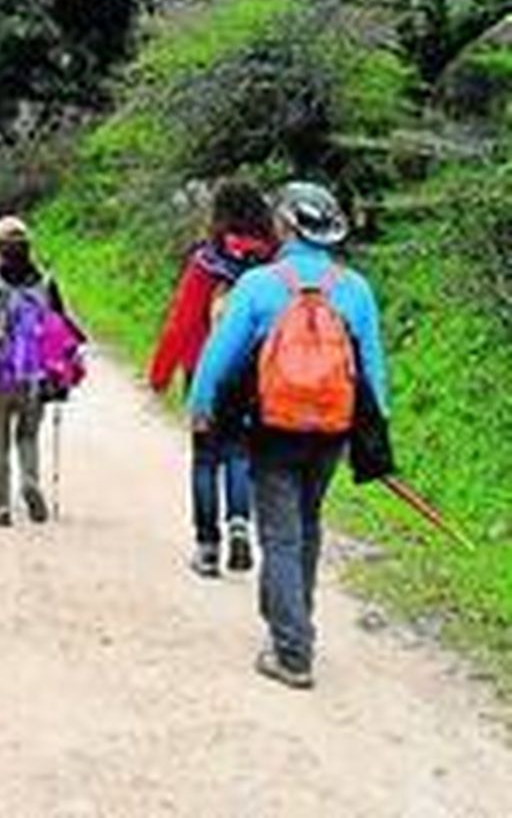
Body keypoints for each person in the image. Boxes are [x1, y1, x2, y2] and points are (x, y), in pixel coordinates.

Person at [188, 182, 389, 690]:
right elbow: (372, 370)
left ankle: (292, 651)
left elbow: (221, 353)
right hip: (332, 429)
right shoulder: (355, 288)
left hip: (274, 426)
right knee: (307, 523)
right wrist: (373, 430)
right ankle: (292, 617)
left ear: (286, 227)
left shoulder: (259, 284)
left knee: (279, 532)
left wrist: (202, 407)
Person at [149, 181, 276, 578]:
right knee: (240, 452)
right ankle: (240, 521)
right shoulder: (273, 264)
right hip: (252, 372)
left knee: (206, 458)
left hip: (204, 370)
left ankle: (207, 548)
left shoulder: (206, 262)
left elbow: (182, 321)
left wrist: (160, 373)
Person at [0, 215, 77, 527]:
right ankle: (30, 483)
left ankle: (1, 507)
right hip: (34, 375)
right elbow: (59, 332)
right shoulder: (46, 284)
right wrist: (59, 376)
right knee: (28, 436)